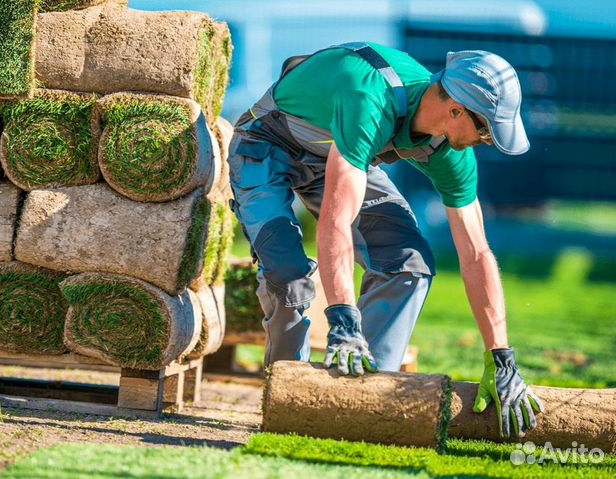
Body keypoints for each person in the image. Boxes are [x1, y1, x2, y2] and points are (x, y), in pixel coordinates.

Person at [227, 42, 544, 438]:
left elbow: (477, 252)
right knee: (289, 279)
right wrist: (342, 318)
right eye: (485, 129)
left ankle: (357, 403)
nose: (486, 140)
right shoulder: (369, 99)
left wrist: (501, 357)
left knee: (408, 264)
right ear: (456, 109)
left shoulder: (451, 153)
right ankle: (290, 404)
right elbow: (336, 222)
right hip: (266, 145)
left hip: (341, 155)